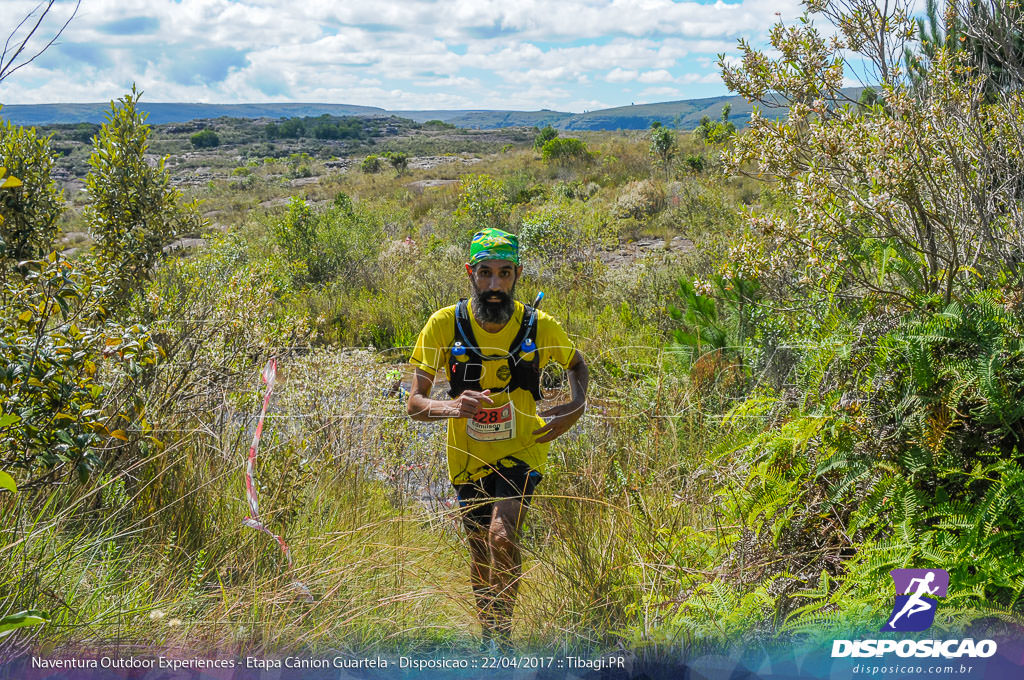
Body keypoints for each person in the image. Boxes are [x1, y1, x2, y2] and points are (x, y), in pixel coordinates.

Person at [406, 227, 589, 651]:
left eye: (504, 274)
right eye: (485, 273)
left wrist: (574, 410)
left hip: (523, 445)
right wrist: (451, 407)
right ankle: (490, 633)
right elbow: (414, 403)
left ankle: (502, 643)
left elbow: (578, 366)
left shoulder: (538, 325)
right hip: (467, 454)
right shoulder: (443, 325)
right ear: (470, 272)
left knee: (501, 537)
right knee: (478, 550)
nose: (494, 285)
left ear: (517, 274)